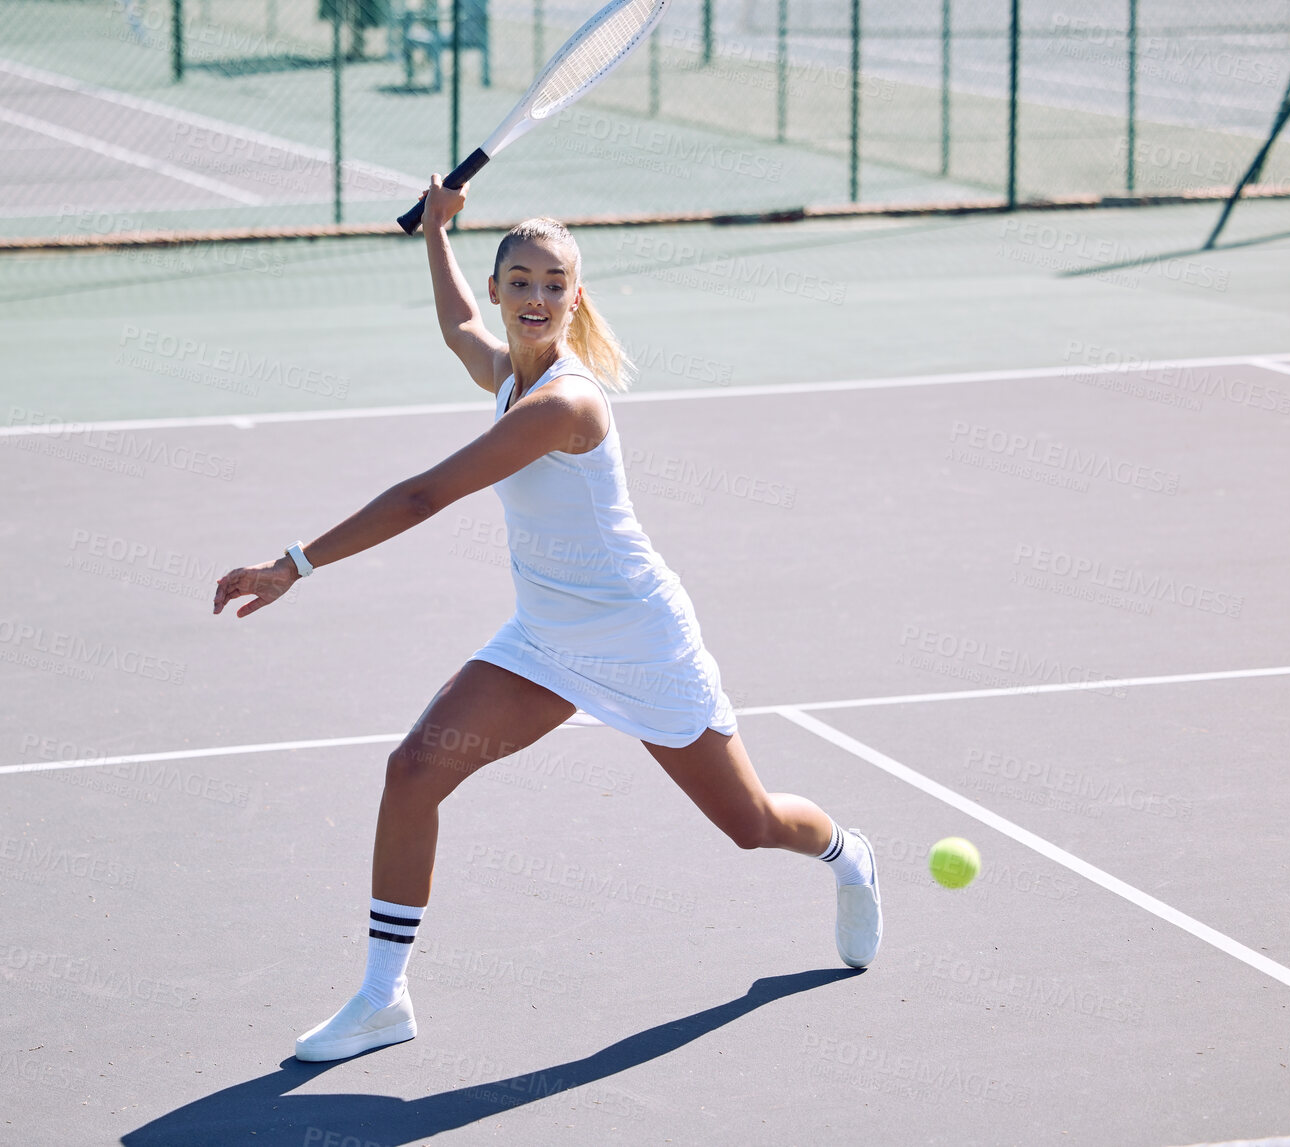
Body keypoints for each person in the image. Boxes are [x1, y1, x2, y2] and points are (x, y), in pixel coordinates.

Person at [212, 177, 881, 1064]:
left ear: (575, 297)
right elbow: (457, 329)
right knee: (413, 770)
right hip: (546, 641)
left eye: (552, 283)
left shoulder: (565, 403)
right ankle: (381, 998)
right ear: (501, 291)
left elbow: (423, 496)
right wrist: (437, 235)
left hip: (641, 642)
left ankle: (847, 854)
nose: (534, 297)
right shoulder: (503, 370)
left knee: (750, 824)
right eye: (518, 280)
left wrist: (292, 564)